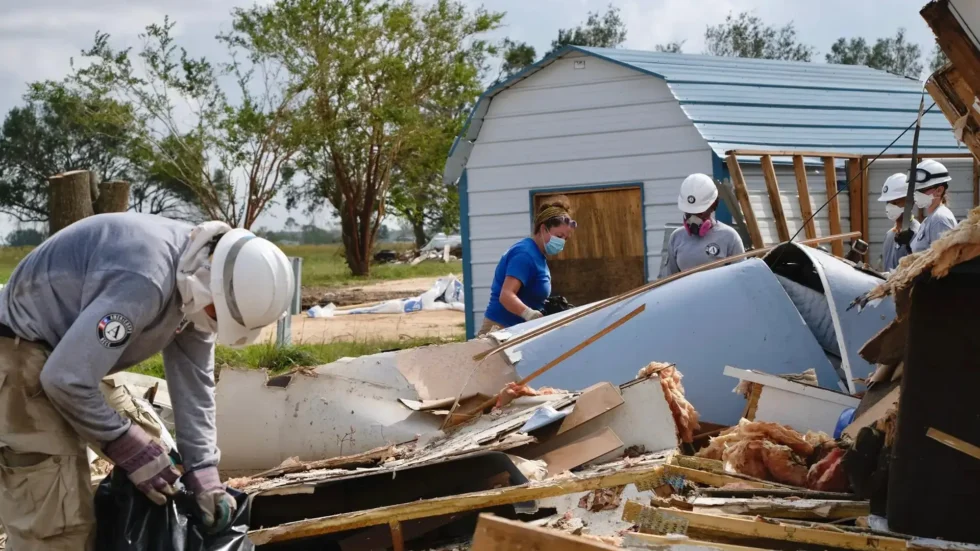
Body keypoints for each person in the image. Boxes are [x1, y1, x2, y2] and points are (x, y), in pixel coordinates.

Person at [0, 213, 294, 550]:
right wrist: (124, 444)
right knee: (56, 523)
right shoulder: (146, 280)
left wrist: (204, 472)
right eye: (215, 315)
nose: (212, 323)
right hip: (20, 352)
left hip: (76, 359)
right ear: (207, 283)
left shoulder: (199, 278)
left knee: (164, 470)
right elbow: (65, 379)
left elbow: (194, 386)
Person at [480, 196, 576, 335]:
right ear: (543, 229)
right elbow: (506, 295)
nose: (562, 242)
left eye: (565, 239)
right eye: (559, 236)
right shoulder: (525, 254)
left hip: (516, 330)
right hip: (500, 330)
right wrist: (530, 315)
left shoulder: (538, 255)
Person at [660, 173, 744, 278]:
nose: (693, 218)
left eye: (699, 213)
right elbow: (669, 281)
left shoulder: (729, 237)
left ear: (713, 206)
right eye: (688, 213)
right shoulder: (676, 238)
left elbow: (741, 279)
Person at [900, 159, 958, 254]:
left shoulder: (939, 220)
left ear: (939, 190)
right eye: (914, 190)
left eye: (921, 189)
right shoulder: (929, 220)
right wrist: (909, 244)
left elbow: (943, 262)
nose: (915, 194)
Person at [877, 172, 920, 272]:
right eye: (888, 202)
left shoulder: (916, 233)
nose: (890, 207)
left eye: (895, 202)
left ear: (910, 202)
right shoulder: (889, 235)